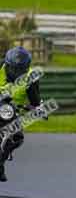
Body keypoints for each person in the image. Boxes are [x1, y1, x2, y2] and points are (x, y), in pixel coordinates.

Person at [0, 47, 44, 182]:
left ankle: (0, 163)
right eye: (14, 69)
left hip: (11, 110)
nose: (17, 72)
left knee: (17, 136)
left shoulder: (31, 77)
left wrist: (38, 108)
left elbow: (35, 99)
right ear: (7, 65)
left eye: (21, 69)